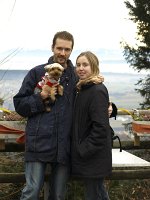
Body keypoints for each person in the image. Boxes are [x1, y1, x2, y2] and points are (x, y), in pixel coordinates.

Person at [13, 31, 77, 200]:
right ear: (52, 48)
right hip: (38, 142)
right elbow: (19, 105)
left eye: (67, 49)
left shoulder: (76, 77)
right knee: (32, 191)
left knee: (58, 195)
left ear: (71, 50)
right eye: (59, 48)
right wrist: (40, 98)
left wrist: (110, 108)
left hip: (64, 144)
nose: (62, 53)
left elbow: (90, 101)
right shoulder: (36, 72)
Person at [71, 51, 112, 200]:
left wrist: (83, 149)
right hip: (90, 157)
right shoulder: (83, 89)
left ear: (93, 67)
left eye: (85, 65)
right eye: (78, 65)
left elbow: (100, 128)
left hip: (93, 157)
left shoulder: (96, 90)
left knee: (96, 194)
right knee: (95, 193)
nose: (81, 68)